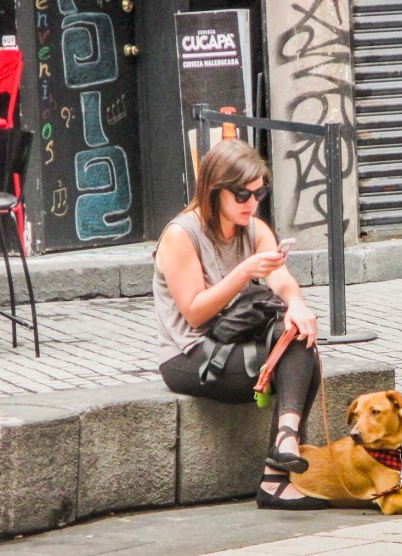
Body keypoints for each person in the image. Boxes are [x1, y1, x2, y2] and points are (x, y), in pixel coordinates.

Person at [152, 139, 327, 511]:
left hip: (236, 343)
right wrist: (244, 271)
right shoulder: (181, 235)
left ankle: (285, 440)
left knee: (298, 335)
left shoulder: (255, 229)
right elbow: (195, 312)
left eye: (258, 193)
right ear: (215, 191)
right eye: (242, 195)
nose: (251, 203)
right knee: (294, 362)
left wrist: (297, 305)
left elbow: (282, 279)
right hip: (189, 355)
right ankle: (276, 476)